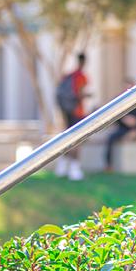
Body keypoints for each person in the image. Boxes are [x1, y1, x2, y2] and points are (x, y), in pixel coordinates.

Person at [105, 79, 136, 173]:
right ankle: (109, 165)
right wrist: (126, 120)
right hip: (122, 129)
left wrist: (135, 130)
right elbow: (116, 119)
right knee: (111, 139)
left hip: (135, 130)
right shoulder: (119, 101)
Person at [55, 52, 90, 181]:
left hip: (67, 112)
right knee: (77, 140)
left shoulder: (69, 75)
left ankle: (63, 166)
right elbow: (80, 95)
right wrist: (88, 95)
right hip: (77, 112)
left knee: (68, 138)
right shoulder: (81, 76)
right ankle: (74, 169)